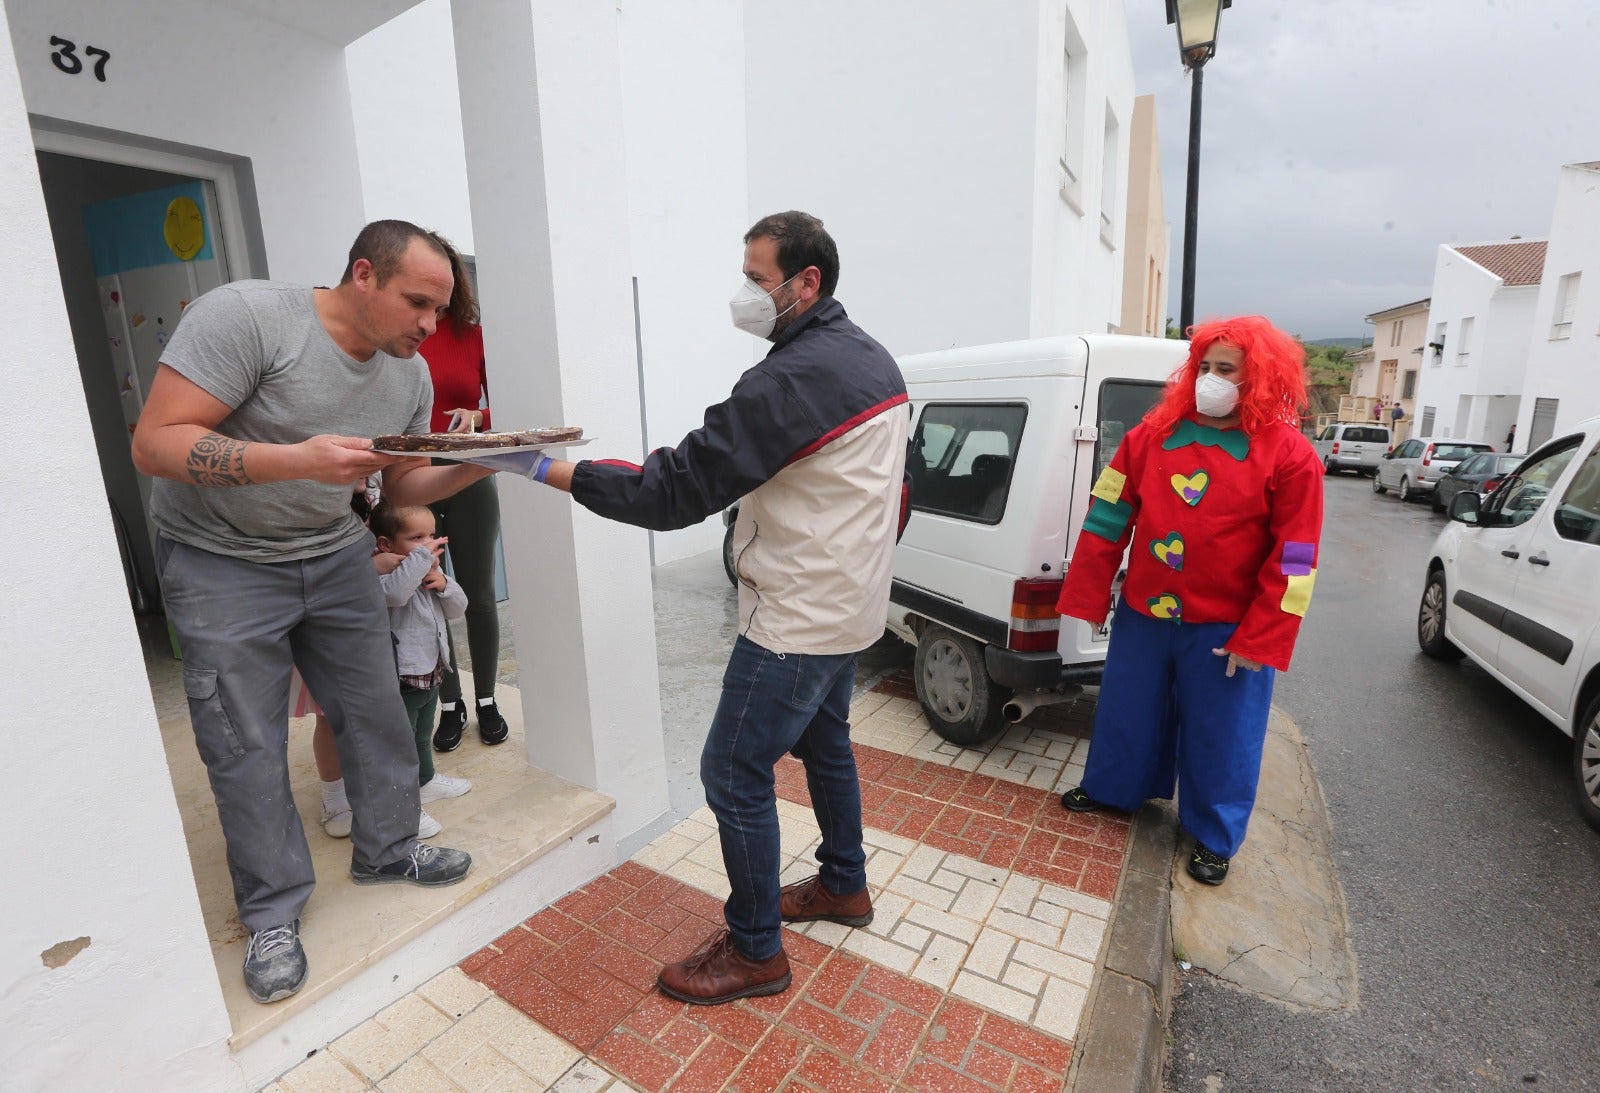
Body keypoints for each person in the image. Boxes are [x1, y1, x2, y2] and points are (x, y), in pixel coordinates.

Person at [476, 211, 908, 1005]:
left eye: (756, 279)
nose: (744, 293)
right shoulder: (872, 360)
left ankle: (755, 954)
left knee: (733, 770)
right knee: (827, 742)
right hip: (851, 605)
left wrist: (540, 468)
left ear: (806, 283)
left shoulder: (789, 379)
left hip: (798, 616)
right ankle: (845, 884)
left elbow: (672, 488)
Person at [132, 220, 491, 1005]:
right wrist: (294, 459)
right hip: (218, 558)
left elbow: (401, 491)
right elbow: (154, 442)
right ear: (363, 274)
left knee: (375, 709)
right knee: (245, 741)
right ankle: (271, 912)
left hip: (333, 553)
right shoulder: (250, 319)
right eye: (418, 302)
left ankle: (390, 846)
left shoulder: (410, 375)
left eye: (441, 309)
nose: (430, 325)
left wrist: (477, 465)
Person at [1055, 316, 1324, 888]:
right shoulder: (1151, 434)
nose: (1210, 379)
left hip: (1227, 627)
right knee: (1130, 707)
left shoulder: (1291, 455)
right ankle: (1113, 789)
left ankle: (1213, 833)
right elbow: (1108, 510)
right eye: (1204, 367)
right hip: (1145, 613)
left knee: (1223, 733)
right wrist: (1089, 585)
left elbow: (1296, 558)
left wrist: (1264, 635)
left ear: (1260, 378)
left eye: (1226, 369)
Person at [417, 236, 510, 751]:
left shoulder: (474, 336)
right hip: (413, 478)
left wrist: (480, 417)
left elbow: (509, 405)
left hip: (470, 473)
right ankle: (449, 703)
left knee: (475, 593)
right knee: (431, 592)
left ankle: (487, 699)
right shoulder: (402, 338)